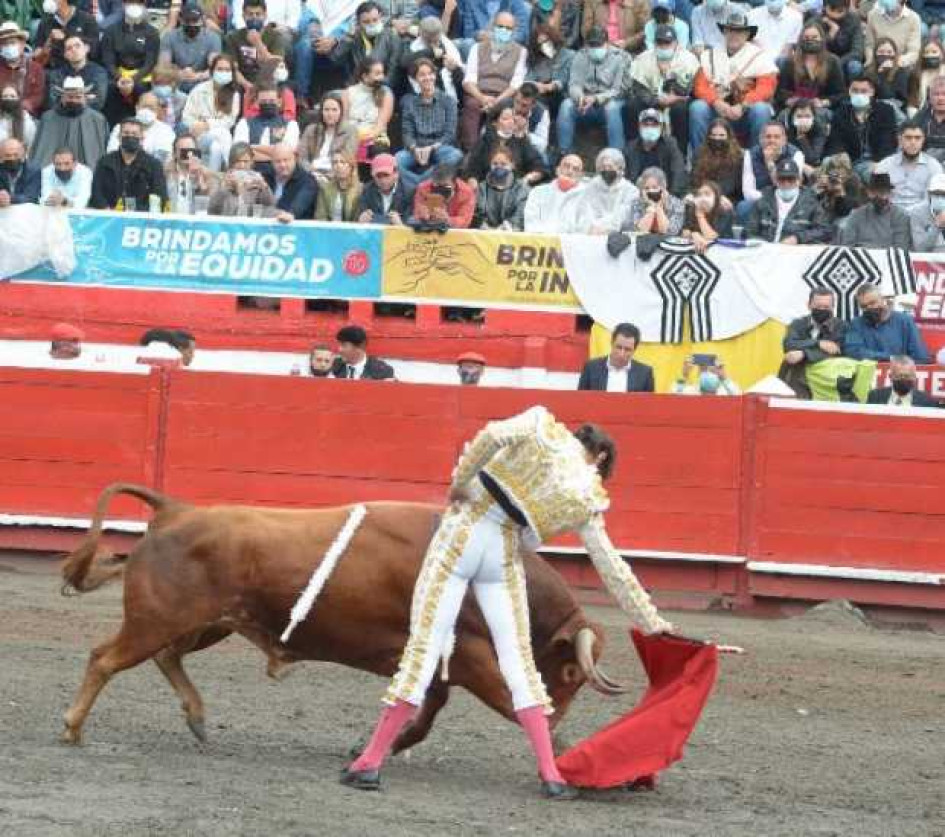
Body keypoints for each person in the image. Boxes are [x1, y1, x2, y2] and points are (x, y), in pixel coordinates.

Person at [342, 406, 674, 798]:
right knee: (519, 665)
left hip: (462, 536)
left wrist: (460, 482)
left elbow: (491, 437)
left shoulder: (538, 424)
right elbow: (612, 568)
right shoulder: (589, 496)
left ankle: (369, 763)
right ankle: (550, 774)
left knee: (424, 650)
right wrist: (654, 623)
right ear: (600, 459)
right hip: (502, 555)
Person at [689, 10, 777, 154]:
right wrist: (716, 102)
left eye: (739, 31)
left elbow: (766, 88)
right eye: (730, 30)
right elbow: (700, 86)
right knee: (697, 107)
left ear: (747, 34)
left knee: (761, 109)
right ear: (724, 32)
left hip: (744, 114)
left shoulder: (760, 56)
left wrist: (743, 105)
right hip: (717, 112)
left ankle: (756, 159)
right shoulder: (709, 54)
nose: (734, 35)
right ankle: (699, 159)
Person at [557, 25, 629, 157]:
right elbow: (574, 84)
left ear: (607, 43)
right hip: (584, 103)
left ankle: (617, 156)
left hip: (610, 102)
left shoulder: (621, 57)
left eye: (599, 45)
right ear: (586, 45)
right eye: (592, 45)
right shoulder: (580, 56)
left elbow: (620, 90)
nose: (595, 48)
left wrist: (596, 98)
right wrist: (581, 98)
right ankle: (564, 153)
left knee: (612, 108)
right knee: (566, 105)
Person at [626, 23, 698, 154]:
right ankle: (633, 151)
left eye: (667, 43)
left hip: (678, 100)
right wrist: (655, 100)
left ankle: (680, 154)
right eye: (660, 43)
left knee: (679, 110)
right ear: (654, 43)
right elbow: (638, 88)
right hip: (652, 98)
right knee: (632, 106)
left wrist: (674, 95)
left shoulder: (689, 59)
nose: (664, 46)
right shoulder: (643, 58)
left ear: (676, 43)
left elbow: (690, 88)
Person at [460, 11, 527, 150]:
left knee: (503, 109)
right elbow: (468, 80)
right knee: (472, 105)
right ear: (492, 27)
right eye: (500, 26)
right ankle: (470, 151)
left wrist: (497, 101)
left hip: (504, 96)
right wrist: (482, 98)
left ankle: (496, 151)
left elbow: (516, 84)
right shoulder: (477, 48)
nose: (504, 31)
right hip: (479, 93)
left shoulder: (521, 52)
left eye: (508, 29)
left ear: (514, 32)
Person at [396, 57, 462, 193]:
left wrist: (431, 148)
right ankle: (421, 184)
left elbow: (450, 134)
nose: (427, 78)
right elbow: (407, 133)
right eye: (422, 75)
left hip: (439, 147)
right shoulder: (410, 103)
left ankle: (417, 185)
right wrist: (414, 148)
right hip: (417, 148)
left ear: (434, 75)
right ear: (415, 79)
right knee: (396, 159)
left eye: (430, 73)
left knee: (455, 155)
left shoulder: (448, 101)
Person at [824, 74, 898, 180]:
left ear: (872, 92)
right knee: (829, 164)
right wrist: (840, 154)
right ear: (849, 92)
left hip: (874, 160)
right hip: (848, 160)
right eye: (855, 91)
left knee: (877, 174)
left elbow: (887, 139)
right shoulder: (841, 112)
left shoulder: (885, 110)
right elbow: (835, 139)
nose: (859, 94)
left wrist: (880, 163)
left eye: (863, 91)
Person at [745, 158, 832, 244]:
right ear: (775, 180)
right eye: (782, 179)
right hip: (765, 251)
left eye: (791, 179)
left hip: (795, 253)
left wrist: (798, 238)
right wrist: (762, 244)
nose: (786, 183)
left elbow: (824, 231)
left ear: (799, 180)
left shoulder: (811, 202)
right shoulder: (763, 200)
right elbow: (749, 231)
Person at [780, 287, 847, 399]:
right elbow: (788, 344)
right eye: (818, 306)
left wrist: (804, 354)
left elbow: (836, 352)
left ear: (833, 307)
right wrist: (818, 343)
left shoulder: (841, 327)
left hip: (825, 384)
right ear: (809, 305)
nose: (822, 310)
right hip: (794, 382)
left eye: (826, 307)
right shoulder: (797, 324)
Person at [89, 117, 168, 210]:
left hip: (141, 219)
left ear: (142, 138)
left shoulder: (154, 165)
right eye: (126, 133)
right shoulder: (104, 162)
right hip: (109, 217)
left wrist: (132, 211)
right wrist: (107, 210)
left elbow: (160, 197)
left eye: (134, 134)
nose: (130, 136)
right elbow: (96, 193)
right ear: (119, 137)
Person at [30, 76, 109, 169]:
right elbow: (39, 154)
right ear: (62, 97)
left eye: (78, 97)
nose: (74, 100)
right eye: (70, 97)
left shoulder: (98, 120)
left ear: (85, 98)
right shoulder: (47, 118)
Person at [774, 20, 845, 122]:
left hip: (821, 109)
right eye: (806, 38)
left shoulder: (833, 61)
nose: (810, 40)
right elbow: (780, 92)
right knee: (784, 117)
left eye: (814, 37)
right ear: (801, 40)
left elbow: (840, 94)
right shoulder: (790, 62)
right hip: (795, 109)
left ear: (822, 38)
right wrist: (790, 100)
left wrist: (824, 102)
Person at [181, 54, 241, 172]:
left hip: (219, 137)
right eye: (220, 69)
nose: (223, 72)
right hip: (198, 136)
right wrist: (196, 125)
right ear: (212, 71)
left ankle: (212, 178)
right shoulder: (198, 90)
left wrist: (207, 124)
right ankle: (231, 168)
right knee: (222, 133)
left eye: (227, 70)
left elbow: (229, 121)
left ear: (232, 73)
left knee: (217, 146)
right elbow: (186, 116)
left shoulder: (234, 94)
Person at [845, 283, 931, 363]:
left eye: (872, 303)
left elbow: (921, 357)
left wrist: (901, 364)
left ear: (882, 299)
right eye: (864, 306)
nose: (869, 308)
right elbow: (853, 352)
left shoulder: (905, 321)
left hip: (900, 376)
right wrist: (891, 358)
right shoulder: (856, 324)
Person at [464, 104, 546, 184]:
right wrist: (474, 185)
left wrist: (526, 179)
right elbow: (472, 170)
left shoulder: (521, 140)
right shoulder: (485, 140)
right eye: (505, 119)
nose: (511, 122)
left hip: (515, 189)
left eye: (513, 118)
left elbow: (538, 165)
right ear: (495, 123)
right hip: (486, 188)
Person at [739, 120, 805, 220]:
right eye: (768, 136)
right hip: (760, 199)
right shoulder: (750, 154)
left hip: (787, 200)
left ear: (784, 140)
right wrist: (769, 199)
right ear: (761, 139)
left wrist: (770, 164)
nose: (772, 140)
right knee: (744, 206)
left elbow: (794, 188)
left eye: (776, 137)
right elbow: (748, 192)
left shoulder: (796, 154)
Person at [873, 120, 943, 212]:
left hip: (921, 217)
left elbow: (933, 201)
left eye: (917, 138)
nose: (913, 142)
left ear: (923, 140)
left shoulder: (933, 166)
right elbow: (879, 198)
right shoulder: (885, 165)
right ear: (900, 140)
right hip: (890, 216)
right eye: (908, 138)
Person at [331, 1, 402, 87]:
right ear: (358, 23)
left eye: (375, 20)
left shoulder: (391, 37)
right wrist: (348, 38)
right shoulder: (354, 38)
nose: (372, 24)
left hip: (382, 87)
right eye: (366, 22)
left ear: (381, 17)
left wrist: (377, 85)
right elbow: (336, 59)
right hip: (356, 86)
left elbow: (393, 72)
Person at [100, 0, 160, 94]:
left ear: (143, 5)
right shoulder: (110, 31)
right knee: (109, 88)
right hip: (117, 74)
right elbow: (108, 61)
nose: (134, 6)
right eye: (130, 2)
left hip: (142, 76)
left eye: (138, 3)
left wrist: (133, 79)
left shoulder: (152, 33)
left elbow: (150, 62)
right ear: (123, 4)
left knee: (141, 88)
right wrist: (119, 77)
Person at [573, 147, 639, 232]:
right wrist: (593, 227)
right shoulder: (591, 186)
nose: (606, 170)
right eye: (603, 167)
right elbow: (586, 211)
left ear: (620, 169)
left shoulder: (631, 191)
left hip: (620, 235)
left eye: (610, 167)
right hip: (592, 232)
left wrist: (605, 228)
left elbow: (623, 216)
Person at [343, 57, 394, 166]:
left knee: (378, 150)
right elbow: (344, 122)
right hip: (351, 136)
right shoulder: (349, 93)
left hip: (375, 138)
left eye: (382, 73)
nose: (382, 77)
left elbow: (380, 126)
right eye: (377, 74)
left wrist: (363, 139)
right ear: (365, 76)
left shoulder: (386, 94)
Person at [624, 106, 687, 195]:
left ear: (661, 127)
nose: (650, 128)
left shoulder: (670, 145)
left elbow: (679, 171)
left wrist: (672, 196)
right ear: (639, 127)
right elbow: (626, 178)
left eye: (654, 125)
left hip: (665, 194)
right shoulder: (630, 148)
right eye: (646, 124)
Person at [159, 3, 221, 94]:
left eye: (195, 20)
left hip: (203, 84)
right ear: (180, 19)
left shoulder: (213, 38)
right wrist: (179, 74)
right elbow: (163, 66)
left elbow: (215, 67)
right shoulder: (169, 37)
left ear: (202, 19)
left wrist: (197, 76)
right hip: (175, 83)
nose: (191, 24)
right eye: (187, 20)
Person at [224, 0, 286, 90]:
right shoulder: (233, 37)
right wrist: (248, 86)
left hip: (269, 83)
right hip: (242, 83)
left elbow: (276, 67)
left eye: (258, 14)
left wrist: (258, 44)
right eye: (250, 14)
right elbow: (233, 69)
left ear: (265, 16)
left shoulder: (275, 36)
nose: (254, 17)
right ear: (243, 16)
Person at [298, 92, 359, 182]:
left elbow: (347, 160)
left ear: (341, 112)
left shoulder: (350, 131)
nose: (330, 114)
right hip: (311, 174)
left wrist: (327, 175)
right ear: (321, 111)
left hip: (336, 176)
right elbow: (301, 158)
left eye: (334, 110)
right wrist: (312, 171)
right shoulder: (311, 130)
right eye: (326, 110)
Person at [577, 322, 655, 392]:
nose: (621, 353)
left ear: (635, 349)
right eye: (618, 347)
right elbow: (581, 401)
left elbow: (648, 405)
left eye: (627, 349)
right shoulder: (591, 368)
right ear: (611, 343)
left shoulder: (644, 374)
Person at [840, 171, 911, 247]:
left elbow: (900, 247)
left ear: (890, 193)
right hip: (859, 257)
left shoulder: (900, 216)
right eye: (874, 191)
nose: (879, 196)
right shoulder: (856, 215)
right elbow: (848, 245)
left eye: (882, 191)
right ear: (868, 192)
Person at [233, 85, 300, 166]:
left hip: (280, 170)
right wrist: (276, 155)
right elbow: (240, 152)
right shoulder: (244, 123)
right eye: (263, 101)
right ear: (257, 102)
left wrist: (252, 147)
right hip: (250, 169)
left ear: (279, 102)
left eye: (271, 101)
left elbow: (287, 152)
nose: (267, 104)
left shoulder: (291, 124)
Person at [207, 141, 276, 216]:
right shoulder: (222, 180)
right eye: (238, 161)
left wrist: (265, 188)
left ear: (251, 162)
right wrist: (224, 189)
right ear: (231, 162)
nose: (242, 165)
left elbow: (270, 207)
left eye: (245, 161)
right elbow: (211, 209)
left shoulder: (256, 182)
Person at [106, 91, 175, 164]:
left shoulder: (165, 130)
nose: (147, 110)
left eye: (151, 108)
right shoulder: (120, 127)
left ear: (157, 110)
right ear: (137, 107)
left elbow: (163, 157)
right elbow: (112, 151)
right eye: (144, 106)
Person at [523, 153, 585, 232]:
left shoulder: (587, 198)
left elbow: (583, 229)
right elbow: (530, 224)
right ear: (557, 170)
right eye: (566, 166)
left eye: (575, 169)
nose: (570, 171)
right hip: (541, 242)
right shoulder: (538, 192)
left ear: (581, 175)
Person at [407, 15, 464, 102]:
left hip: (451, 94)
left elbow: (461, 77)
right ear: (422, 35)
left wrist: (455, 69)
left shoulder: (447, 44)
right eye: (430, 41)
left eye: (436, 40)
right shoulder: (414, 48)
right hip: (424, 93)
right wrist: (431, 52)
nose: (434, 43)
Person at [46, 35, 109, 112]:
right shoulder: (57, 74)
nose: (74, 50)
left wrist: (66, 98)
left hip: (88, 117)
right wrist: (85, 97)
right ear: (65, 55)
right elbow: (52, 102)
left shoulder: (99, 73)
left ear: (86, 48)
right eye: (69, 48)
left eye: (77, 46)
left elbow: (98, 102)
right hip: (62, 117)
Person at [33, 0, 100, 72]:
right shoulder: (45, 23)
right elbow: (38, 60)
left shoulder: (87, 20)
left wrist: (66, 37)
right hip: (55, 71)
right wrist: (48, 42)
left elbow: (93, 52)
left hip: (82, 70)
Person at [473, 146, 529, 230]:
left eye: (503, 164)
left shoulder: (522, 189)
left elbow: (520, 215)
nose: (499, 167)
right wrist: (485, 228)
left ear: (512, 165)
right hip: (485, 234)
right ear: (490, 164)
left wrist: (506, 227)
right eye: (495, 164)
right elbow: (477, 215)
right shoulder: (481, 188)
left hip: (512, 234)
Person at [524, 23, 574, 117]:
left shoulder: (569, 55)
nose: (544, 46)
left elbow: (565, 79)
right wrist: (535, 85)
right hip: (541, 96)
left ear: (553, 38)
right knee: (534, 99)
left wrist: (550, 86)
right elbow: (528, 79)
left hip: (562, 95)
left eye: (546, 41)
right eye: (540, 44)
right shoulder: (538, 60)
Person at [690, 117, 744, 202]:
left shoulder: (738, 156)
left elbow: (733, 184)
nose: (717, 138)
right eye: (713, 135)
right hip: (703, 196)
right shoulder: (699, 153)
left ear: (729, 137)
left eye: (721, 135)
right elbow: (695, 181)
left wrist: (717, 197)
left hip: (729, 199)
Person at [622, 166, 685, 234]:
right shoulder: (637, 203)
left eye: (654, 187)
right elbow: (639, 232)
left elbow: (669, 232)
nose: (651, 191)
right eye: (646, 188)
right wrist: (651, 209)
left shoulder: (677, 204)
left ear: (663, 187)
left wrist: (658, 207)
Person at [0, 22, 45, 117]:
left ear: (22, 44)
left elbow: (38, 97)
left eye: (12, 42)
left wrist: (18, 107)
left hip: (26, 117)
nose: (9, 47)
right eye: (4, 44)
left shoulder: (35, 68)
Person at [412, 162, 476, 228]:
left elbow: (465, 221)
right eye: (437, 185)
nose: (440, 189)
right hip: (428, 226)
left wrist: (447, 220)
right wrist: (422, 215)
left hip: (454, 231)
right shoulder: (423, 188)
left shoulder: (467, 193)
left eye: (445, 185)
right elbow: (417, 212)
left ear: (454, 183)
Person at [264, 142, 316, 221]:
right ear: (272, 162)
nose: (282, 165)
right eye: (278, 161)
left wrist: (291, 214)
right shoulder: (266, 176)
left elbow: (300, 205)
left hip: (295, 229)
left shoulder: (307, 181)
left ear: (295, 159)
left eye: (286, 160)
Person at [165, 132, 215, 214]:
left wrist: (199, 176)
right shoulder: (165, 173)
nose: (187, 153)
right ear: (174, 153)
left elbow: (210, 203)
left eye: (190, 149)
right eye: (182, 150)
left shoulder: (208, 175)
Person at [864, 0, 920, 70]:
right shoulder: (872, 15)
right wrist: (873, 62)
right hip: (877, 62)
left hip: (901, 66)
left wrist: (894, 63)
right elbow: (869, 45)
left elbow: (913, 52)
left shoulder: (914, 18)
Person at [357, 152, 411, 224]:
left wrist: (400, 225)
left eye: (386, 175)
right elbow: (358, 225)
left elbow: (413, 229)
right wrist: (360, 221)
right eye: (378, 176)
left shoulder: (409, 192)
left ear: (396, 174)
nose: (382, 180)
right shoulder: (367, 190)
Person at [681, 179, 734, 252]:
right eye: (699, 195)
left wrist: (700, 214)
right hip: (699, 250)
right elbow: (685, 232)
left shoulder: (725, 211)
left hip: (723, 250)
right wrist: (694, 234)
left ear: (716, 197)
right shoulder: (692, 209)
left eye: (707, 194)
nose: (703, 198)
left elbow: (711, 237)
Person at [866, 355, 939, 407]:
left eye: (907, 376)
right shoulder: (875, 397)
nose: (903, 379)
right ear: (890, 377)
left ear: (914, 377)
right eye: (899, 376)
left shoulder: (926, 401)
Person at [581, 0, 649, 54]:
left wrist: (626, 43)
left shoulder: (640, 2)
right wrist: (599, 43)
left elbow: (645, 31)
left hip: (629, 52)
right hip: (597, 48)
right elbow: (586, 29)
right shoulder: (591, 1)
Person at [866, 36, 910, 119]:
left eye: (889, 52)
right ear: (875, 53)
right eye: (881, 51)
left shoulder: (901, 72)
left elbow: (888, 96)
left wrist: (882, 74)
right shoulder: (868, 71)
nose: (885, 55)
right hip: (871, 106)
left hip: (895, 108)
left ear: (895, 54)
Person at [331, 324, 395, 379]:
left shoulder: (382, 371)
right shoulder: (332, 366)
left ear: (360, 347)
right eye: (339, 345)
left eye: (344, 345)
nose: (340, 349)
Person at [313, 150, 362, 222]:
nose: (338, 166)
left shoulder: (360, 190)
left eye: (342, 162)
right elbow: (320, 216)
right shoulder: (325, 188)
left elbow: (358, 219)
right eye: (335, 162)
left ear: (351, 166)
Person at [786, 99, 828, 177]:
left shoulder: (819, 130)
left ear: (813, 117)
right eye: (799, 116)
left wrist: (801, 137)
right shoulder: (786, 130)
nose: (803, 120)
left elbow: (812, 158)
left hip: (814, 168)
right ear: (792, 118)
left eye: (807, 116)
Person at [823, 0, 864, 78]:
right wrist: (832, 32)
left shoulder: (854, 19)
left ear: (847, 8)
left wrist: (838, 62)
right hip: (825, 60)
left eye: (840, 10)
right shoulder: (818, 20)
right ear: (825, 7)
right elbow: (818, 47)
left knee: (855, 66)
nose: (835, 14)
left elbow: (857, 52)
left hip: (846, 60)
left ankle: (852, 88)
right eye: (832, 9)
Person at [908, 171, 945, 251]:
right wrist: (937, 226)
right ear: (929, 194)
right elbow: (920, 248)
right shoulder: (917, 213)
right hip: (928, 260)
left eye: (943, 194)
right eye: (936, 194)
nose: (940, 198)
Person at [907, 40, 945, 116]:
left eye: (934, 52)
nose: (930, 55)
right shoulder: (916, 75)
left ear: (942, 54)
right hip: (923, 116)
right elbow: (912, 101)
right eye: (926, 52)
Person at [0, 136, 40, 204]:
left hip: (25, 210)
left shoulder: (34, 170)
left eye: (16, 155)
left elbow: (32, 197)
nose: (12, 158)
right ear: (1, 157)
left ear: (22, 155)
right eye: (8, 155)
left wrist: (10, 199)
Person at [915, 76, 945, 165]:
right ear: (929, 97)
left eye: (944, 94)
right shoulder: (919, 118)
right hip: (925, 164)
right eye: (936, 94)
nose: (940, 98)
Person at [673, 356, 740, 395]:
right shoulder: (691, 391)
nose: (707, 372)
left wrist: (724, 377)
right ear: (699, 373)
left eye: (710, 369)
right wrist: (684, 375)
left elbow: (739, 399)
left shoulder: (723, 392)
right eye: (703, 368)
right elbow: (673, 398)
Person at [0, 85, 35, 151]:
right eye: (5, 96)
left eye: (12, 96)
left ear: (18, 98)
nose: (9, 99)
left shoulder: (26, 120)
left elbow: (31, 144)